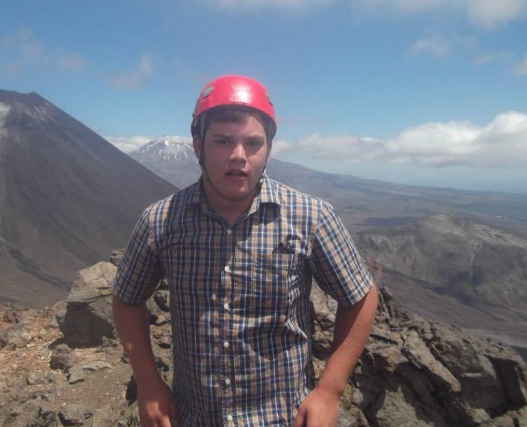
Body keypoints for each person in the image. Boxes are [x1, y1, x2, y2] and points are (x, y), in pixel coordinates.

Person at [112, 75, 379, 426]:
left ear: (268, 147)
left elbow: (360, 296)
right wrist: (148, 383)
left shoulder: (311, 217)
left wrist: (329, 391)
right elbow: (126, 298)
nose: (238, 156)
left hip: (285, 418)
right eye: (223, 141)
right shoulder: (161, 221)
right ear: (197, 144)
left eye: (253, 143)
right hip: (194, 417)